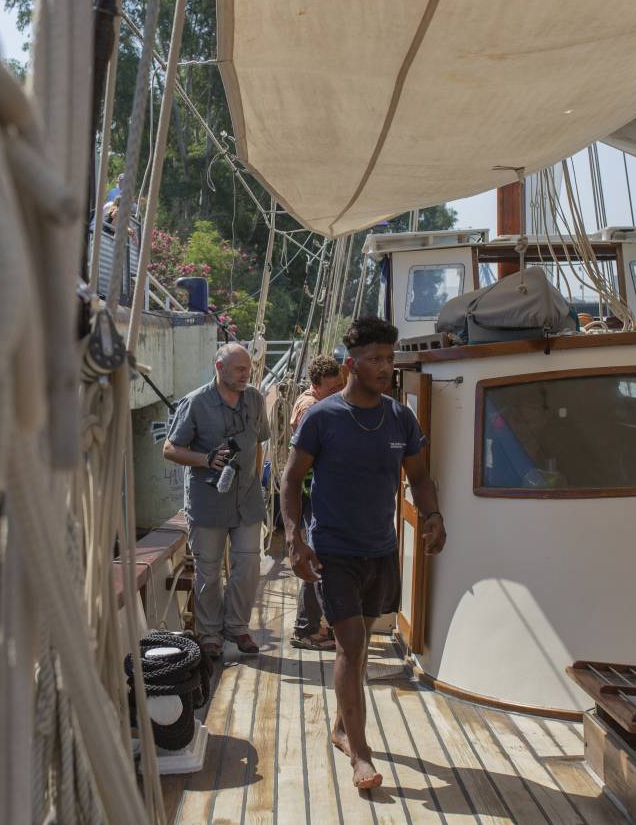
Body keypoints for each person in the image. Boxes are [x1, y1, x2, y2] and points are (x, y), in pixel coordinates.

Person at [281, 316, 446, 791]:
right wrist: (295, 539)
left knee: (359, 650)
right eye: (375, 359)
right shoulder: (321, 417)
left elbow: (418, 476)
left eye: (390, 359)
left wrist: (433, 516)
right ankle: (361, 754)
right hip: (334, 549)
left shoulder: (400, 418)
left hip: (381, 549)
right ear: (351, 363)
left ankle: (340, 726)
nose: (385, 368)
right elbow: (292, 480)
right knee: (350, 645)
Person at [164, 343, 270, 660]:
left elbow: (260, 443)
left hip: (247, 499)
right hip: (208, 500)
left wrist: (254, 479)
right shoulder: (196, 403)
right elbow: (169, 449)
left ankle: (237, 628)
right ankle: (209, 633)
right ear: (219, 367)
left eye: (248, 369)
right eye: (239, 369)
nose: (246, 374)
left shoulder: (254, 399)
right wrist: (205, 459)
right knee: (208, 571)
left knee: (248, 565)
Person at [288, 354, 345, 652]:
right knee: (316, 562)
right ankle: (306, 629)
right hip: (313, 495)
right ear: (315, 385)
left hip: (318, 494)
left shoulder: (320, 403)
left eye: (341, 386)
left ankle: (312, 625)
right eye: (333, 388)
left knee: (319, 561)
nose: (339, 392)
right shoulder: (311, 409)